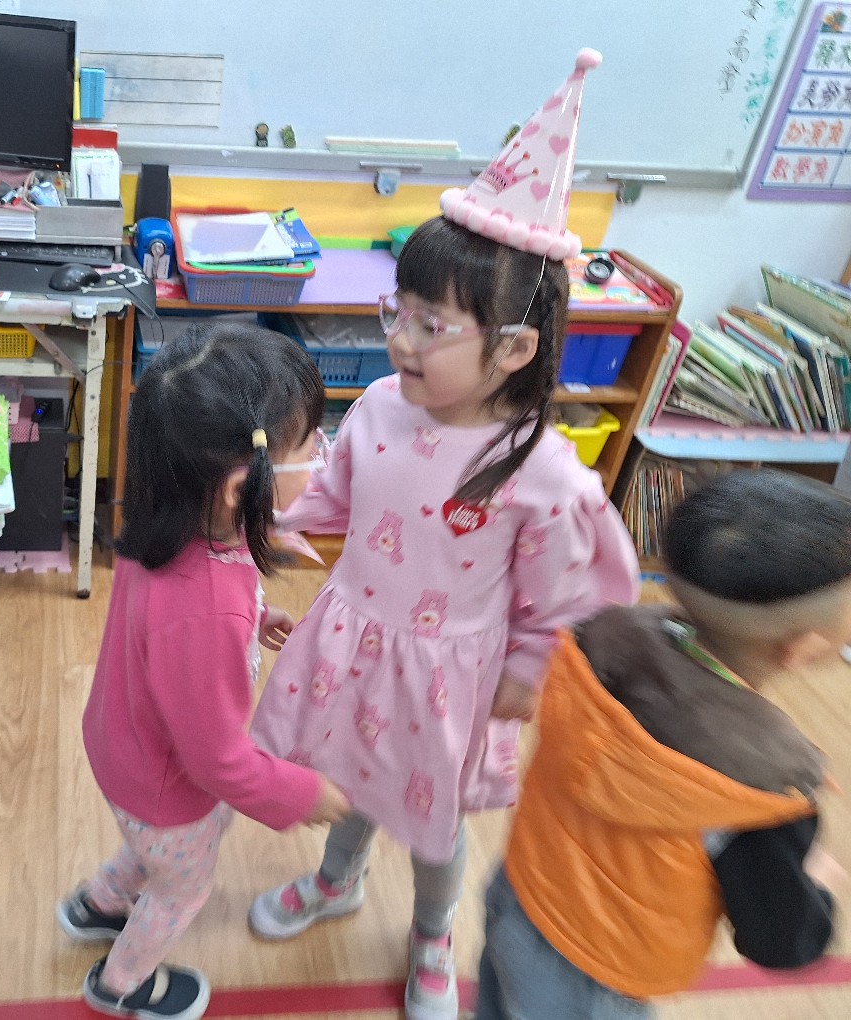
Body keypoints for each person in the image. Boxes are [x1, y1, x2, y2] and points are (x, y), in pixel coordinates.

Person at [247, 49, 639, 1020]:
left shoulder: (543, 472)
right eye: (402, 312)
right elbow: (335, 492)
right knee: (349, 780)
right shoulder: (381, 404)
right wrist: (269, 525)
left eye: (432, 326)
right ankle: (337, 881)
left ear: (514, 348)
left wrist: (525, 675)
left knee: (429, 823)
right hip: (355, 639)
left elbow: (561, 598)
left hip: (448, 677)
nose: (401, 340)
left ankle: (431, 933)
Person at [56, 321, 352, 1020]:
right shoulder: (207, 605)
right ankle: (121, 984)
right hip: (168, 785)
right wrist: (300, 795)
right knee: (182, 887)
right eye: (312, 444)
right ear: (242, 486)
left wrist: (255, 615)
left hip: (125, 746)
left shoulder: (171, 523)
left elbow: (177, 629)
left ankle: (100, 903)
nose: (324, 453)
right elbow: (218, 760)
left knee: (156, 853)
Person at [476, 468, 850, 1019]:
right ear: (802, 648)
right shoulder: (761, 790)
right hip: (603, 974)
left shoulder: (596, 644)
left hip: (521, 891)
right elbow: (782, 942)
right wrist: (816, 883)